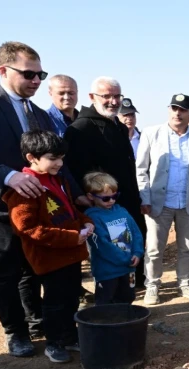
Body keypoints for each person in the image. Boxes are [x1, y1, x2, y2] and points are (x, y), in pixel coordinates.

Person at [0, 41, 80, 357]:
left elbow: (58, 163)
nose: (36, 81)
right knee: (8, 272)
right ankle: (17, 332)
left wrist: (78, 197)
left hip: (39, 207)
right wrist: (10, 176)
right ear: (3, 70)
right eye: (29, 74)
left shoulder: (39, 114)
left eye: (40, 74)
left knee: (36, 269)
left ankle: (42, 325)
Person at [2, 130, 94, 363]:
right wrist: (72, 237)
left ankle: (70, 336)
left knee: (72, 297)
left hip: (72, 253)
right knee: (54, 302)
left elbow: (70, 210)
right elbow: (28, 229)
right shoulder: (24, 188)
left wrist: (86, 222)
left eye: (62, 158)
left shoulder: (58, 179)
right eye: (53, 158)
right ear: (32, 157)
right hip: (50, 257)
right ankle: (54, 343)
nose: (59, 163)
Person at [64, 76, 146, 286]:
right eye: (106, 96)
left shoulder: (117, 124)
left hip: (125, 203)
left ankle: (129, 289)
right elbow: (75, 171)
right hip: (103, 206)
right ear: (92, 97)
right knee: (112, 251)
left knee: (129, 247)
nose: (113, 101)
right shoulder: (80, 129)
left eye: (117, 96)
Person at [136, 93, 189, 305]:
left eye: (183, 110)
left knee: (186, 247)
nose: (177, 113)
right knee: (154, 247)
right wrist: (144, 197)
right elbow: (141, 169)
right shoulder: (152, 133)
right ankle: (152, 285)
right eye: (174, 108)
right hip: (159, 202)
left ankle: (185, 283)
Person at [84, 172, 144, 305]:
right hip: (107, 271)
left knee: (128, 297)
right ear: (90, 196)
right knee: (106, 301)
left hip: (128, 268)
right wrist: (125, 259)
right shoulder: (92, 217)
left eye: (114, 196)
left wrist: (137, 253)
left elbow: (136, 233)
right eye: (105, 198)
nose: (111, 201)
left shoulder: (122, 211)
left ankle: (124, 322)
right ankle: (107, 324)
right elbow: (103, 246)